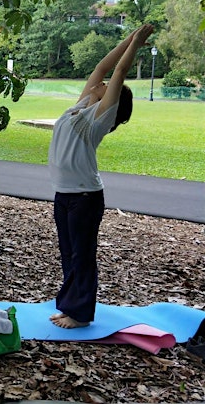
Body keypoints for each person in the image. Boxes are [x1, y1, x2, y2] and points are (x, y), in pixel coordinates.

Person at [48, 24, 155, 329]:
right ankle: (70, 306)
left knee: (82, 255)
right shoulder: (82, 106)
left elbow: (119, 71)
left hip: (85, 197)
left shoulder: (100, 118)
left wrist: (136, 44)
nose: (102, 81)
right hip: (64, 193)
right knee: (69, 253)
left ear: (112, 100)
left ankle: (81, 314)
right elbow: (104, 65)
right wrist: (128, 37)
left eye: (108, 85)